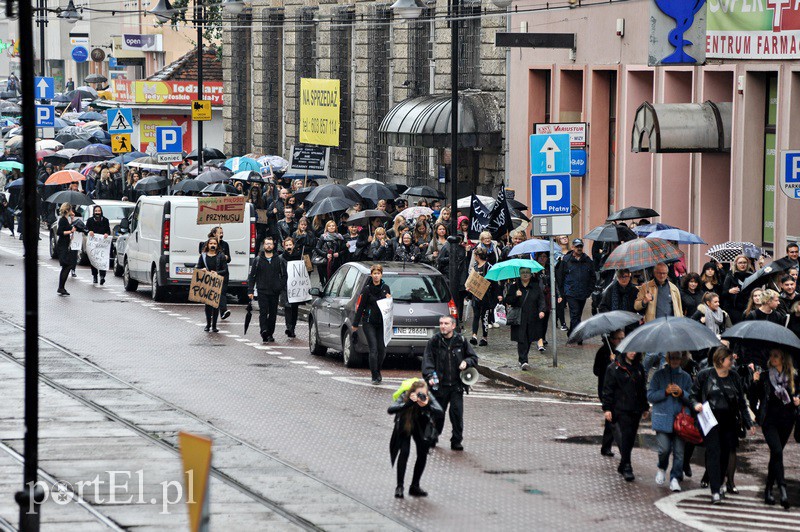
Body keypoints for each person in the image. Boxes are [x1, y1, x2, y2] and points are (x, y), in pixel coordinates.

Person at [690, 346, 755, 504]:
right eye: (729, 359)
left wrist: (748, 422)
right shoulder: (705, 375)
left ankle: (718, 483)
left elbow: (741, 401)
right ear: (721, 360)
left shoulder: (734, 376)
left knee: (725, 454)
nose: (732, 361)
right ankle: (715, 490)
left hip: (729, 420)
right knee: (713, 452)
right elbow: (693, 394)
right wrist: (695, 404)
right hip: (710, 419)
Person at [421, 315, 479, 451]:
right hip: (439, 386)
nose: (443, 326)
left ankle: (456, 441)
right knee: (437, 414)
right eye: (441, 323)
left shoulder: (461, 341)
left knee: (457, 414)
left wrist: (467, 362)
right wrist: (429, 375)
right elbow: (427, 360)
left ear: (453, 326)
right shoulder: (434, 341)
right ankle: (433, 436)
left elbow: (473, 357)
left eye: (446, 323)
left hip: (456, 386)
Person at [757, 348, 800, 508]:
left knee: (776, 456)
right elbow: (753, 394)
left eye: (776, 356)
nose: (772, 358)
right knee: (777, 452)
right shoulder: (765, 376)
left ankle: (768, 489)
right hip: (770, 422)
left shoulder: (793, 377)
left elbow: (798, 393)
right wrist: (754, 383)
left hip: (787, 421)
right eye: (771, 355)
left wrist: (798, 400)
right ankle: (782, 490)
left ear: (783, 358)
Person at [388, 379, 444, 499]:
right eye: (419, 394)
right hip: (405, 425)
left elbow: (440, 412)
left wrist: (427, 405)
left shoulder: (427, 397)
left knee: (422, 453)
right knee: (404, 452)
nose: (421, 396)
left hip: (421, 427)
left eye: (424, 393)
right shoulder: (405, 395)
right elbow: (391, 409)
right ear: (412, 392)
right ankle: (400, 486)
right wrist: (409, 403)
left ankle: (415, 486)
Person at [647, 351, 693, 492]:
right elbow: (650, 395)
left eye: (677, 358)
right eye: (672, 358)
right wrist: (665, 392)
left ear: (681, 359)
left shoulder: (686, 377)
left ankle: (675, 478)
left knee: (679, 453)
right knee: (664, 449)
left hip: (681, 420)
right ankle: (661, 467)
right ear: (667, 358)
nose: (675, 361)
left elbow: (691, 398)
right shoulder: (658, 375)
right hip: (662, 418)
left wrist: (682, 393)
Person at [602, 350, 649, 482]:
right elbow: (608, 389)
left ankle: (623, 464)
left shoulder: (639, 368)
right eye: (630, 350)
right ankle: (627, 466)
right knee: (626, 437)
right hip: (621, 409)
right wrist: (607, 408)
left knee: (630, 438)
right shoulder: (614, 368)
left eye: (635, 351)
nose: (633, 353)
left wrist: (645, 406)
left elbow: (642, 389)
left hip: (635, 409)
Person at [636, 262, 684, 374]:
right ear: (654, 273)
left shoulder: (673, 288)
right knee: (652, 353)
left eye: (664, 273)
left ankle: (660, 379)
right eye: (659, 273)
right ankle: (642, 374)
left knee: (665, 356)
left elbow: (678, 308)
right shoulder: (646, 287)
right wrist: (645, 301)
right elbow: (636, 305)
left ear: (667, 273)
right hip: (653, 326)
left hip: (669, 326)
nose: (662, 275)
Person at [352, 264, 392, 384]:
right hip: (369, 322)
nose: (376, 276)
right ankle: (374, 375)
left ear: (381, 275)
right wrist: (355, 323)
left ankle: (378, 369)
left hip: (381, 323)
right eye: (374, 273)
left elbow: (389, 307)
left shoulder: (386, 288)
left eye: (378, 273)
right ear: (371, 275)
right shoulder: (367, 289)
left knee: (382, 349)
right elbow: (361, 307)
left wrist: (389, 299)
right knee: (373, 349)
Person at [505, 267, 546, 369]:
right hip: (519, 317)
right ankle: (524, 360)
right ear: (519, 274)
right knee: (521, 338)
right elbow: (508, 300)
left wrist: (542, 310)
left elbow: (541, 299)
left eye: (527, 272)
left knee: (529, 338)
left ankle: (522, 358)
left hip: (532, 317)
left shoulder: (535, 286)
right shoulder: (515, 287)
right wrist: (515, 295)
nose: (525, 274)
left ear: (531, 274)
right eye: (523, 272)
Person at [247, 237, 287, 342]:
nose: (268, 246)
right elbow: (252, 276)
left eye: (270, 244)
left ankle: (270, 333)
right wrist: (250, 290)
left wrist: (280, 286)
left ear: (273, 246)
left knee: (273, 313)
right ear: (263, 246)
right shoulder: (258, 260)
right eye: (267, 244)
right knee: (263, 312)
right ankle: (263, 330)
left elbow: (284, 275)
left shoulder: (279, 259)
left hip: (274, 291)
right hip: (262, 290)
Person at [593, 329, 624, 457]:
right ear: (612, 339)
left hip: (619, 390)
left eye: (623, 338)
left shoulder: (622, 352)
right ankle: (622, 450)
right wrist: (610, 363)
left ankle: (606, 446)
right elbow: (596, 371)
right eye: (619, 338)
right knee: (613, 419)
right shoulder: (603, 352)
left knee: (611, 419)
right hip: (606, 390)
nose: (622, 341)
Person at [557, 238, 595, 337]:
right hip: (571, 292)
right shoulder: (566, 260)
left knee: (578, 315)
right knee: (575, 313)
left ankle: (571, 332)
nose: (579, 248)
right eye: (577, 246)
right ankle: (578, 336)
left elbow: (592, 277)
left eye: (580, 246)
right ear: (573, 247)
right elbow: (560, 276)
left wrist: (589, 290)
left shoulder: (587, 261)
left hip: (583, 292)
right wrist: (562, 292)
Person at [467, 248, 500, 347]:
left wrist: (498, 294)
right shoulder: (475, 267)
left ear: (477, 256)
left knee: (484, 317)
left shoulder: (488, 267)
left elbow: (494, 282)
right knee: (476, 316)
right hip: (475, 295)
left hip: (486, 296)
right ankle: (474, 336)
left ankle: (484, 338)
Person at [198, 227, 232, 320]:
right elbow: (202, 256)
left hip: (222, 273)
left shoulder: (225, 244)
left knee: (222, 293)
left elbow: (229, 259)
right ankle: (211, 313)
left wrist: (226, 257)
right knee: (211, 293)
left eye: (222, 232)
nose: (221, 234)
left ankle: (223, 312)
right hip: (210, 274)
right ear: (213, 234)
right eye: (219, 233)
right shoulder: (206, 244)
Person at [196, 237, 228, 332]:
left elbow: (225, 270)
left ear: (217, 245)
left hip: (217, 282)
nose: (213, 245)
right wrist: (202, 270)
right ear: (207, 245)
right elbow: (198, 268)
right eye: (211, 243)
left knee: (215, 305)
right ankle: (208, 324)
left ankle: (214, 325)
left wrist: (217, 272)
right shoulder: (203, 256)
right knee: (208, 305)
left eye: (214, 243)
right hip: (207, 282)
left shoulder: (221, 256)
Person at [279, 237, 303, 338]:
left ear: (293, 246)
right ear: (284, 246)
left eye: (290, 245)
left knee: (294, 308)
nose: (289, 247)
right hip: (285, 286)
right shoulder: (280, 258)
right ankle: (289, 328)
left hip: (295, 286)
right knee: (287, 307)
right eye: (287, 245)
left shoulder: (298, 257)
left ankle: (293, 327)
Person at [313, 220, 346, 286]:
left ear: (335, 227)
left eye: (333, 226)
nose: (331, 227)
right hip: (326, 262)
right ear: (327, 227)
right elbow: (317, 248)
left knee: (336, 279)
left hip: (337, 261)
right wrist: (326, 254)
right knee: (328, 279)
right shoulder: (323, 237)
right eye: (329, 226)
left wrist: (339, 254)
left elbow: (344, 249)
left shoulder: (340, 236)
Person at [722, 255, 752, 323]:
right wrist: (729, 291)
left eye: (744, 262)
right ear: (736, 264)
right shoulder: (730, 275)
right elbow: (723, 293)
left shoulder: (750, 275)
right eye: (740, 263)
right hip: (733, 308)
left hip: (747, 306)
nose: (742, 265)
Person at [85, 205, 110, 285]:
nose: (97, 213)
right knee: (94, 259)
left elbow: (108, 230)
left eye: (99, 211)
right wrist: (89, 232)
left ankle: (102, 276)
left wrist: (106, 234)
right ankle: (95, 276)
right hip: (93, 244)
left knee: (102, 259)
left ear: (101, 212)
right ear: (94, 212)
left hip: (102, 244)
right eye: (96, 211)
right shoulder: (90, 220)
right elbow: (86, 229)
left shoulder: (105, 220)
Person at [56, 202, 77, 296]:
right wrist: (70, 231)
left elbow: (68, 227)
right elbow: (59, 232)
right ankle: (61, 287)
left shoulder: (65, 219)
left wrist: (72, 219)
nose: (72, 211)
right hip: (62, 246)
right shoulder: (62, 220)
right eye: (71, 209)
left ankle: (61, 287)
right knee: (67, 265)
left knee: (66, 266)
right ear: (68, 210)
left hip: (64, 245)